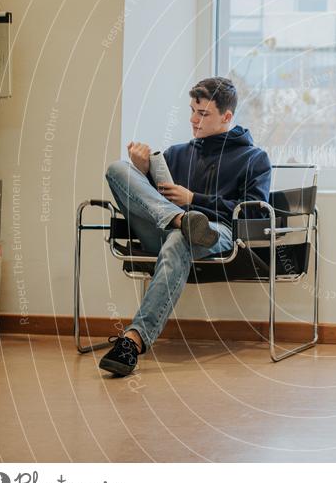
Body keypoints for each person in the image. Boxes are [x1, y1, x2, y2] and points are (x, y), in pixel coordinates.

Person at [99, 77, 271, 376]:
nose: (193, 119)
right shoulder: (176, 154)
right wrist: (142, 171)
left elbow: (254, 215)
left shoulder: (255, 158)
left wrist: (194, 199)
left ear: (227, 117)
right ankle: (180, 219)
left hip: (219, 232)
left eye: (203, 114)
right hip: (167, 225)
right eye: (192, 110)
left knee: (181, 239)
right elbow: (146, 201)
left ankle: (133, 340)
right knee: (118, 168)